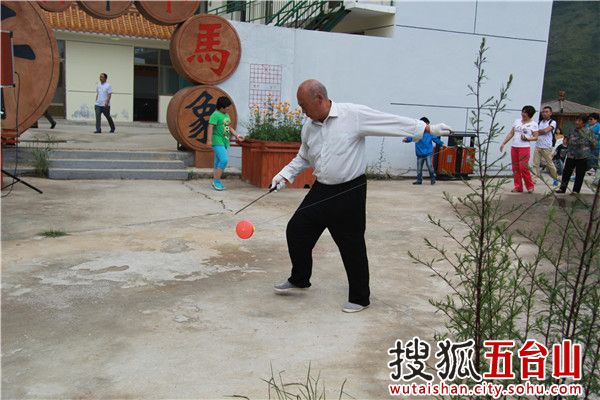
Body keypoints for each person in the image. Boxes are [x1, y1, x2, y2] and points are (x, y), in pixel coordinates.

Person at [269, 79, 452, 313]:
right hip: (322, 188)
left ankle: (359, 297)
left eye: (303, 105)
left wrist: (428, 129)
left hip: (349, 190)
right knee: (297, 230)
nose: (302, 110)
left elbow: (389, 121)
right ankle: (300, 278)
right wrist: (284, 175)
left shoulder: (352, 115)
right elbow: (303, 156)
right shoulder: (309, 125)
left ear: (319, 99)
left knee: (351, 244)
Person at [499, 105, 539, 193]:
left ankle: (530, 186)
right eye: (523, 112)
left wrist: (528, 138)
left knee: (523, 167)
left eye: (525, 113)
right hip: (514, 147)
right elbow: (511, 133)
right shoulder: (517, 121)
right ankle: (518, 187)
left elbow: (536, 137)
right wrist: (503, 143)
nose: (523, 114)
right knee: (515, 168)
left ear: (530, 114)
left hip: (524, 148)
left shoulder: (533, 124)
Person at [555, 114, 597, 194]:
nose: (577, 122)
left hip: (582, 156)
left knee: (579, 174)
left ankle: (575, 190)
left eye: (579, 121)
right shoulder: (572, 130)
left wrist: (586, 150)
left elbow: (594, 143)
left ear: (584, 123)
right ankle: (562, 188)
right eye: (576, 120)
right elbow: (567, 139)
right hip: (571, 155)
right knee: (566, 173)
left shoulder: (588, 131)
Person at [206, 96, 241, 191]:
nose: (229, 108)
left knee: (218, 162)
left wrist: (237, 136)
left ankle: (215, 181)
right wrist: (209, 140)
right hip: (217, 141)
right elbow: (210, 127)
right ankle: (216, 181)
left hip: (224, 141)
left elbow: (229, 128)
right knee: (224, 160)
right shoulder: (215, 115)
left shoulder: (226, 115)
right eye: (227, 107)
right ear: (221, 107)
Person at [403, 117, 445, 185]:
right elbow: (411, 138)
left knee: (430, 166)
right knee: (419, 169)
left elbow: (435, 139)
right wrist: (406, 140)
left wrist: (441, 144)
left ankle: (432, 179)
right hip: (419, 154)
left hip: (428, 153)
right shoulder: (417, 133)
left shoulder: (430, 133)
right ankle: (419, 180)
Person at [529, 106, 559, 186]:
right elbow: (534, 132)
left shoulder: (552, 122)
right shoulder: (539, 122)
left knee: (549, 164)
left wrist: (537, 132)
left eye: (546, 112)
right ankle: (534, 180)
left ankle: (556, 178)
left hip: (547, 146)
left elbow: (546, 131)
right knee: (535, 164)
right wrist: (537, 132)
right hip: (538, 145)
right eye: (543, 112)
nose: (544, 113)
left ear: (550, 113)